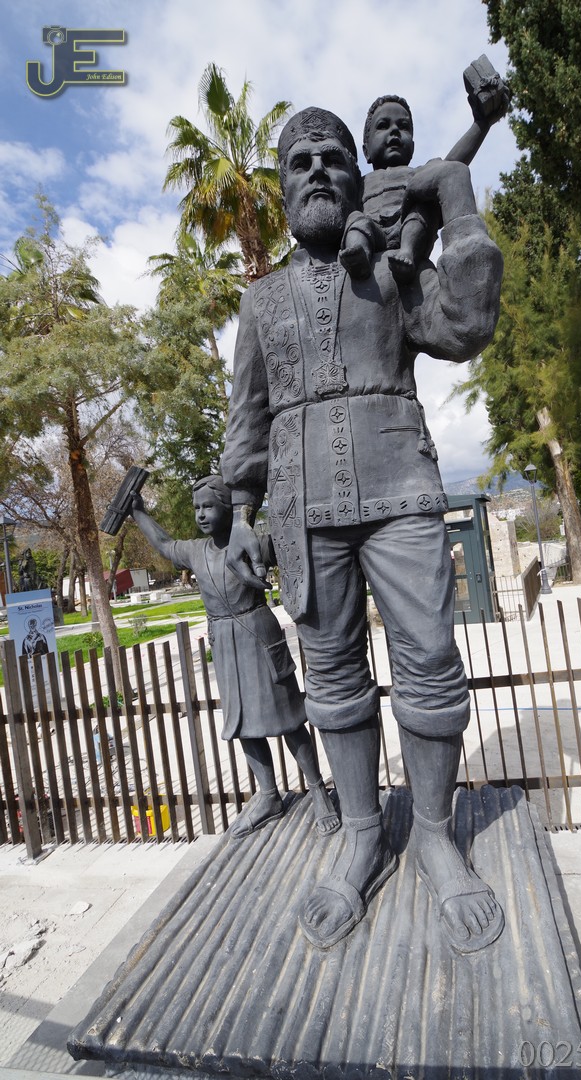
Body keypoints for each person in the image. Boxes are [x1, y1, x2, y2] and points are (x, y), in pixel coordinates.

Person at [220, 107, 504, 953]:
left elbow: (467, 325)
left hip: (398, 485)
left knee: (430, 660)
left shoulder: (390, 268)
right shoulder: (260, 302)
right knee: (332, 675)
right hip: (301, 504)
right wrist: (240, 513)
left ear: (356, 178)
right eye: (299, 161)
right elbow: (247, 417)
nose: (316, 169)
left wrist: (454, 193)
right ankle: (359, 833)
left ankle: (434, 836)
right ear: (282, 189)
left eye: (332, 158)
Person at [130, 477, 339, 840]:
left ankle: (318, 789)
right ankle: (269, 795)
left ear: (229, 508)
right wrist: (138, 512)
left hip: (258, 633)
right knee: (241, 723)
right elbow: (164, 544)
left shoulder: (252, 541)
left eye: (208, 507)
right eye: (197, 508)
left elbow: (293, 543)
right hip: (224, 641)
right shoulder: (195, 551)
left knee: (289, 718)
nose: (201, 514)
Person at [340, 58, 509, 284]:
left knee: (421, 212)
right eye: (383, 126)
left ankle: (407, 254)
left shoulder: (420, 173)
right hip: (372, 232)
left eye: (403, 126)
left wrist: (481, 124)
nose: (394, 131)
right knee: (355, 219)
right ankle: (358, 252)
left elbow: (452, 166)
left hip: (408, 232)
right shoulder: (359, 183)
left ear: (413, 147)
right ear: (366, 150)